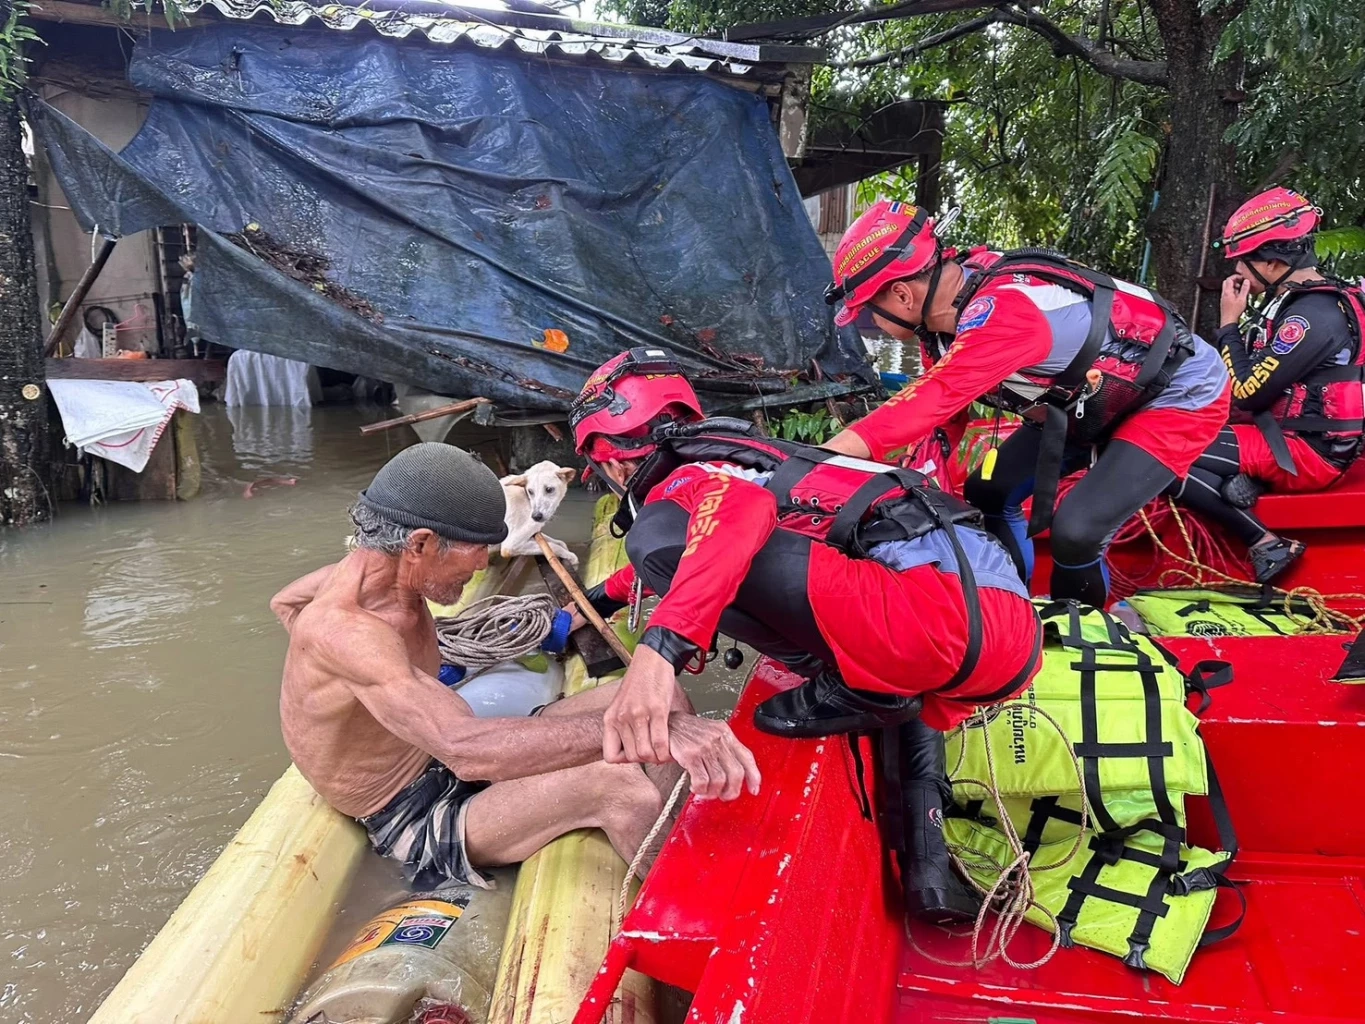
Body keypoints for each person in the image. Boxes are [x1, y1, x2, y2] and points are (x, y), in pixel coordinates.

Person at [569, 348, 1044, 923]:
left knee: (654, 544)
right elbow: (718, 526)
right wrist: (602, 599)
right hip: (1006, 634)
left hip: (932, 621)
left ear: (615, 464)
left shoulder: (692, 480)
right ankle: (929, 866)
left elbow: (721, 523)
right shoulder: (747, 459)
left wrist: (658, 652)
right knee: (896, 688)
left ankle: (852, 682)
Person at [272, 442, 758, 891]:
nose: (484, 564)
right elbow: (466, 750)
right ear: (419, 543)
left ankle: (681, 835)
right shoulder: (346, 630)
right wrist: (657, 734)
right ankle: (698, 915)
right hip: (415, 808)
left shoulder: (362, 573)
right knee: (621, 788)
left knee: (662, 697)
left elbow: (284, 601)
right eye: (475, 548)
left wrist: (366, 697)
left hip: (438, 750)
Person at [819, 200, 1231, 608]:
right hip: (1085, 400)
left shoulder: (1005, 315)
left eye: (869, 314)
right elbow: (941, 420)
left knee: (1077, 530)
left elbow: (930, 399)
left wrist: (818, 462)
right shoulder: (944, 320)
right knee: (988, 490)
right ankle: (1011, 603)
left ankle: (1082, 630)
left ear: (902, 295)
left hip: (1175, 393)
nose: (870, 325)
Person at [1167, 187, 1365, 582]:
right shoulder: (1311, 300)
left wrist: (1228, 324)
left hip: (1307, 454)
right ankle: (1244, 480)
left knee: (1159, 453)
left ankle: (1266, 543)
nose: (1237, 272)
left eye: (1242, 262)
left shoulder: (1311, 317)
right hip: (1286, 436)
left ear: (1273, 263)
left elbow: (1246, 390)